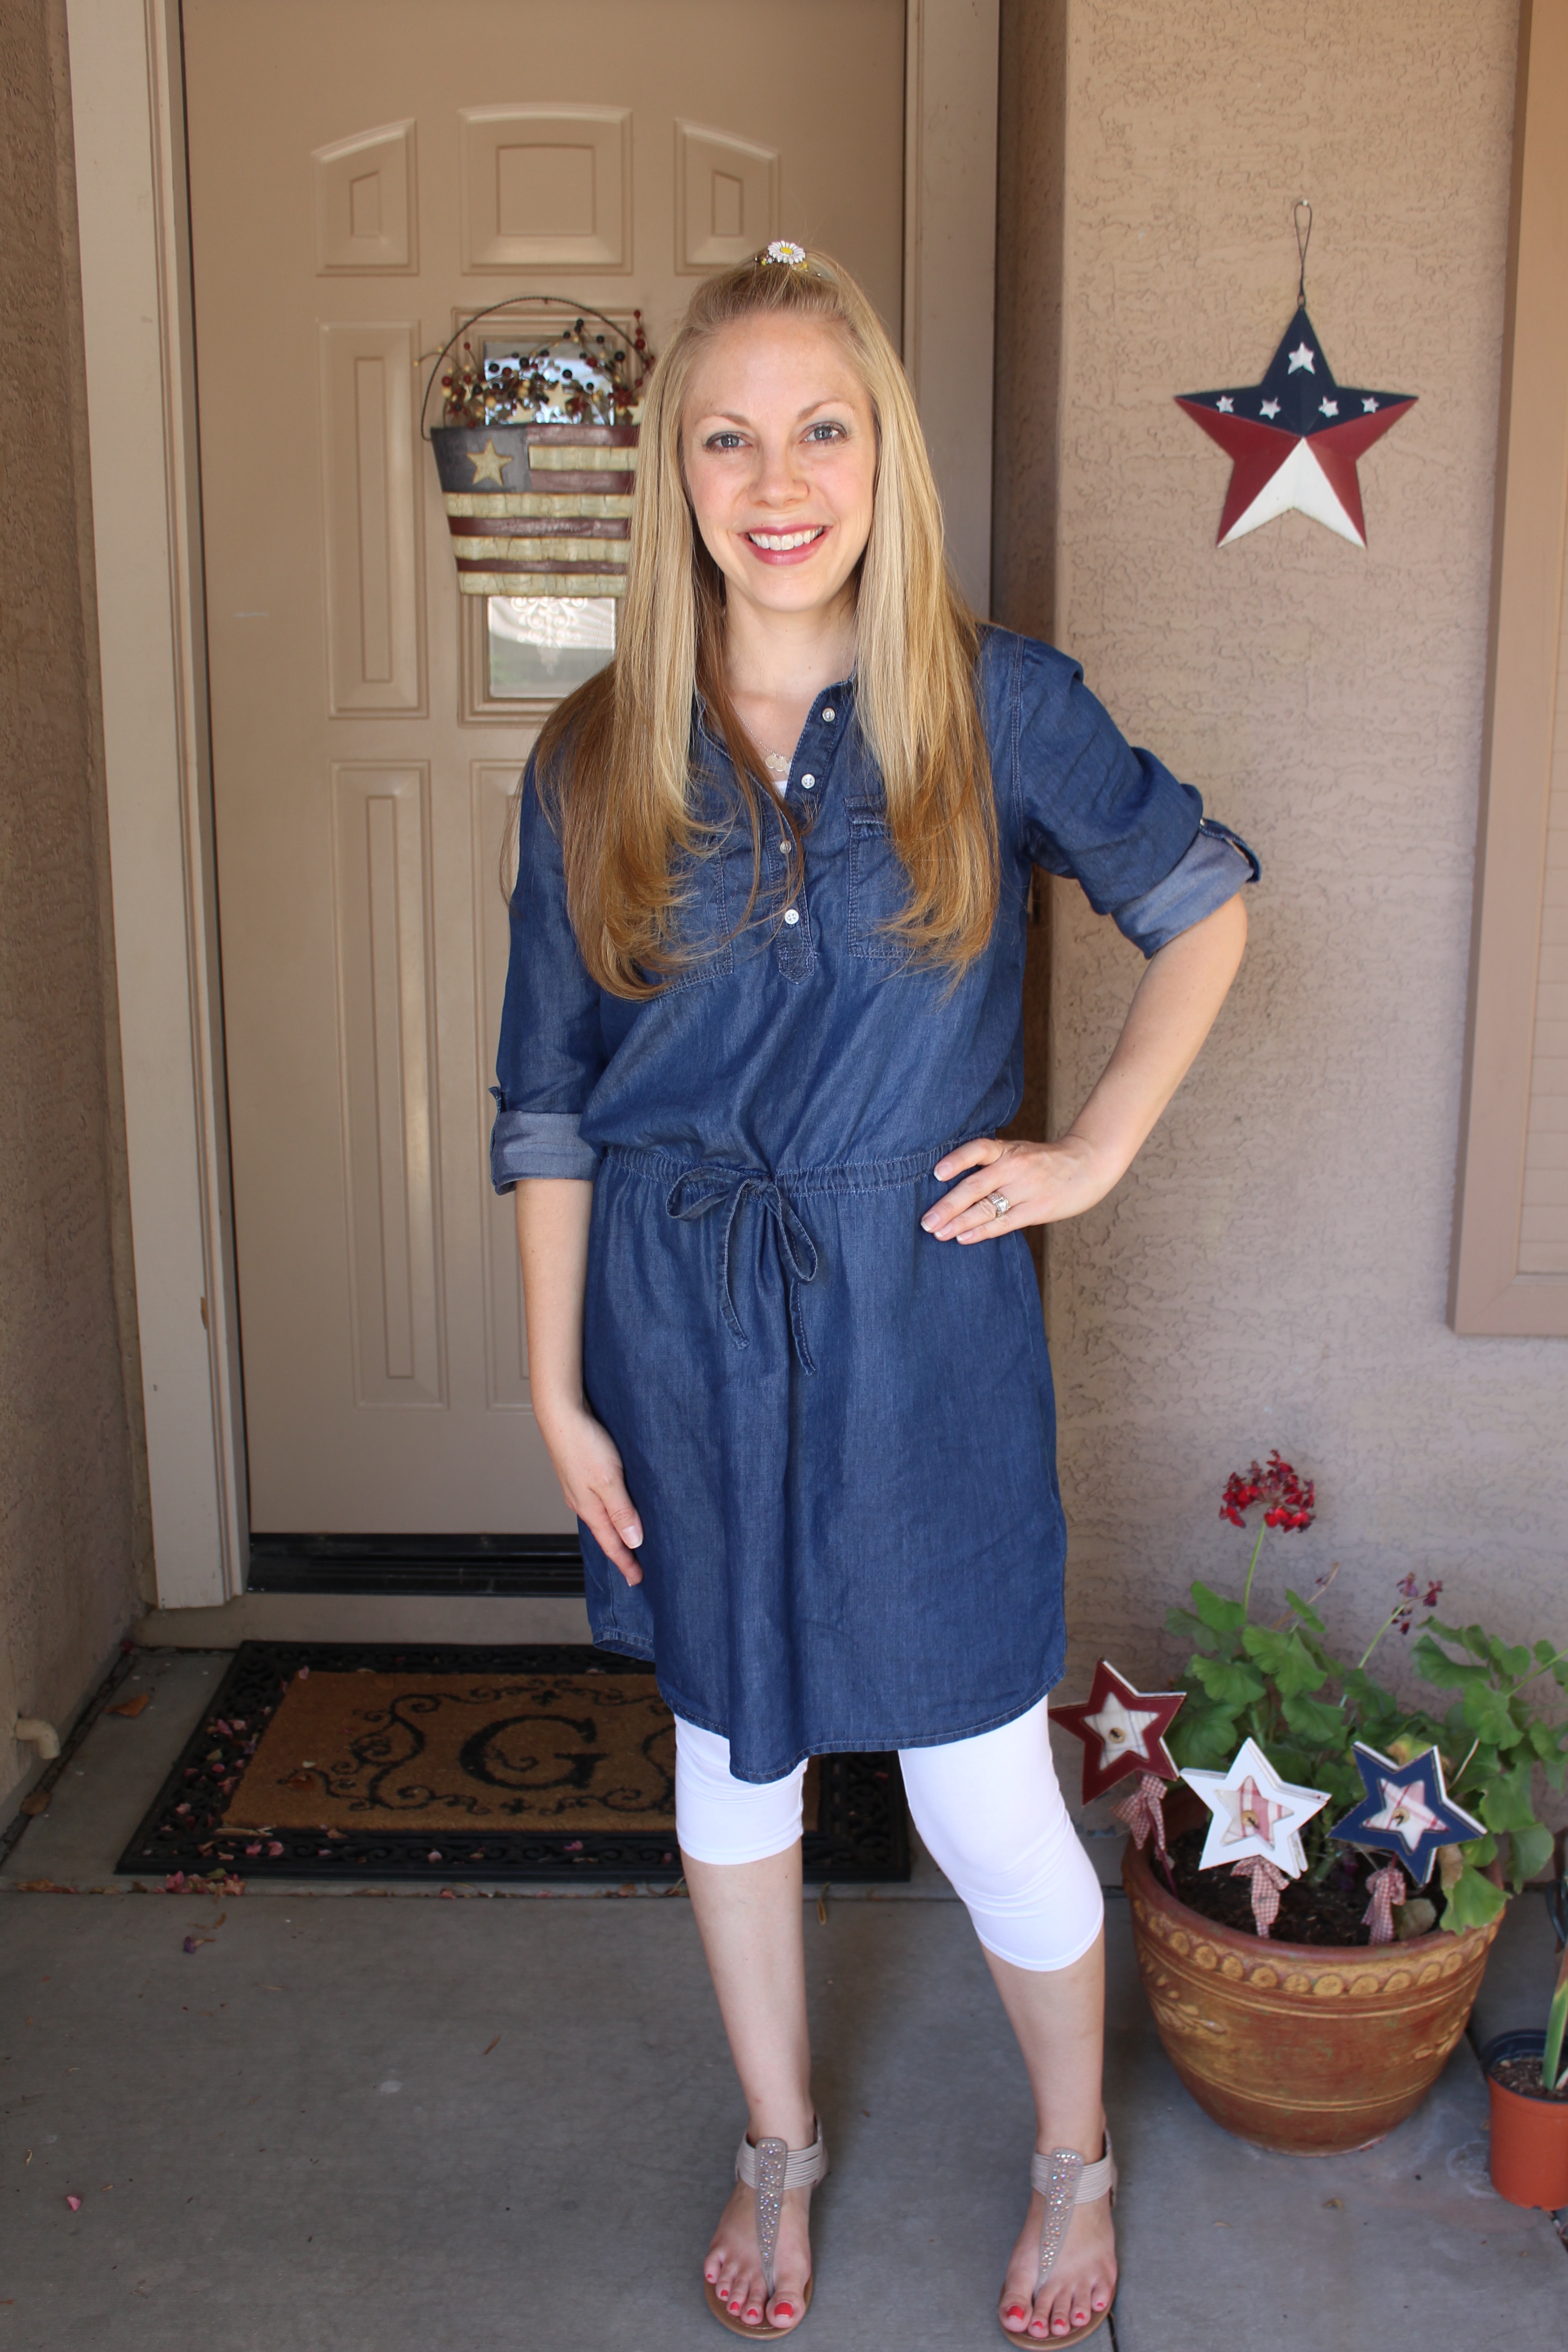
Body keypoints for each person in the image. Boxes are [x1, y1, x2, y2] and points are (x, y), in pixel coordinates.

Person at [492, 243, 1254, 2346]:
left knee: (979, 1779)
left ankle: (1073, 2159)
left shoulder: (994, 700)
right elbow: (546, 1100)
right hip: (679, 1336)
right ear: (674, 475)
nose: (775, 476)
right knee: (728, 1760)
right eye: (726, 435)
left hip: (922, 1337)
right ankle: (779, 2141)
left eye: (819, 426)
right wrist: (557, 1393)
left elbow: (1200, 900)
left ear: (882, 452)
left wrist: (1090, 1153)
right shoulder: (591, 753)